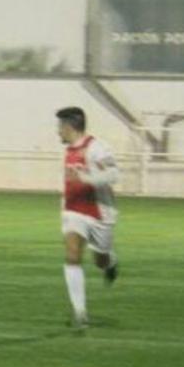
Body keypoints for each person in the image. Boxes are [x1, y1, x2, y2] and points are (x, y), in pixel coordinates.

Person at [56, 107, 120, 329]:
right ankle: (80, 312)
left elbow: (113, 174)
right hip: (73, 211)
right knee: (72, 255)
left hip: (100, 213)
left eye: (60, 127)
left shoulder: (97, 148)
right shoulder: (66, 151)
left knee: (100, 260)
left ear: (69, 126)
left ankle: (110, 261)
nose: (58, 133)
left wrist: (86, 178)